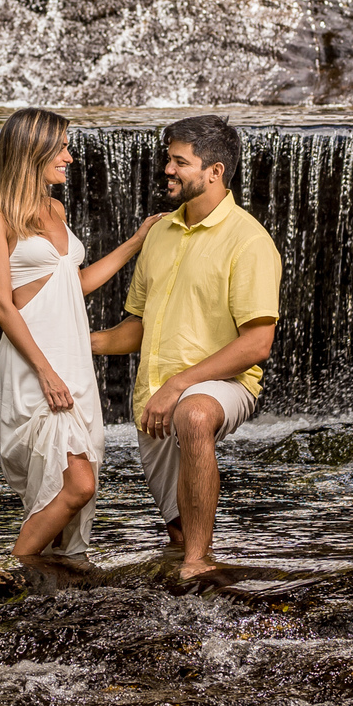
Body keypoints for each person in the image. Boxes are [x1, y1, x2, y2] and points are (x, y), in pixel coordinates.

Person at [91, 115, 282, 579]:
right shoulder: (157, 234)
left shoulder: (249, 241)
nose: (167, 170)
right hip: (154, 396)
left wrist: (180, 384)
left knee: (193, 414)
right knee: (177, 529)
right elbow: (137, 326)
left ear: (214, 172)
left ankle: (198, 563)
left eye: (180, 162)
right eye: (168, 159)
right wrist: (76, 343)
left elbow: (257, 343)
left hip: (221, 386)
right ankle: (190, 566)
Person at [0, 108, 158, 564]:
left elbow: (70, 283)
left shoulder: (55, 209)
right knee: (77, 483)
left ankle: (51, 575)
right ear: (30, 150)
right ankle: (9, 569)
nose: (69, 158)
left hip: (71, 361)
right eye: (60, 148)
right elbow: (1, 303)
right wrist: (45, 370)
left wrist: (135, 243)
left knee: (68, 481)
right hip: (35, 363)